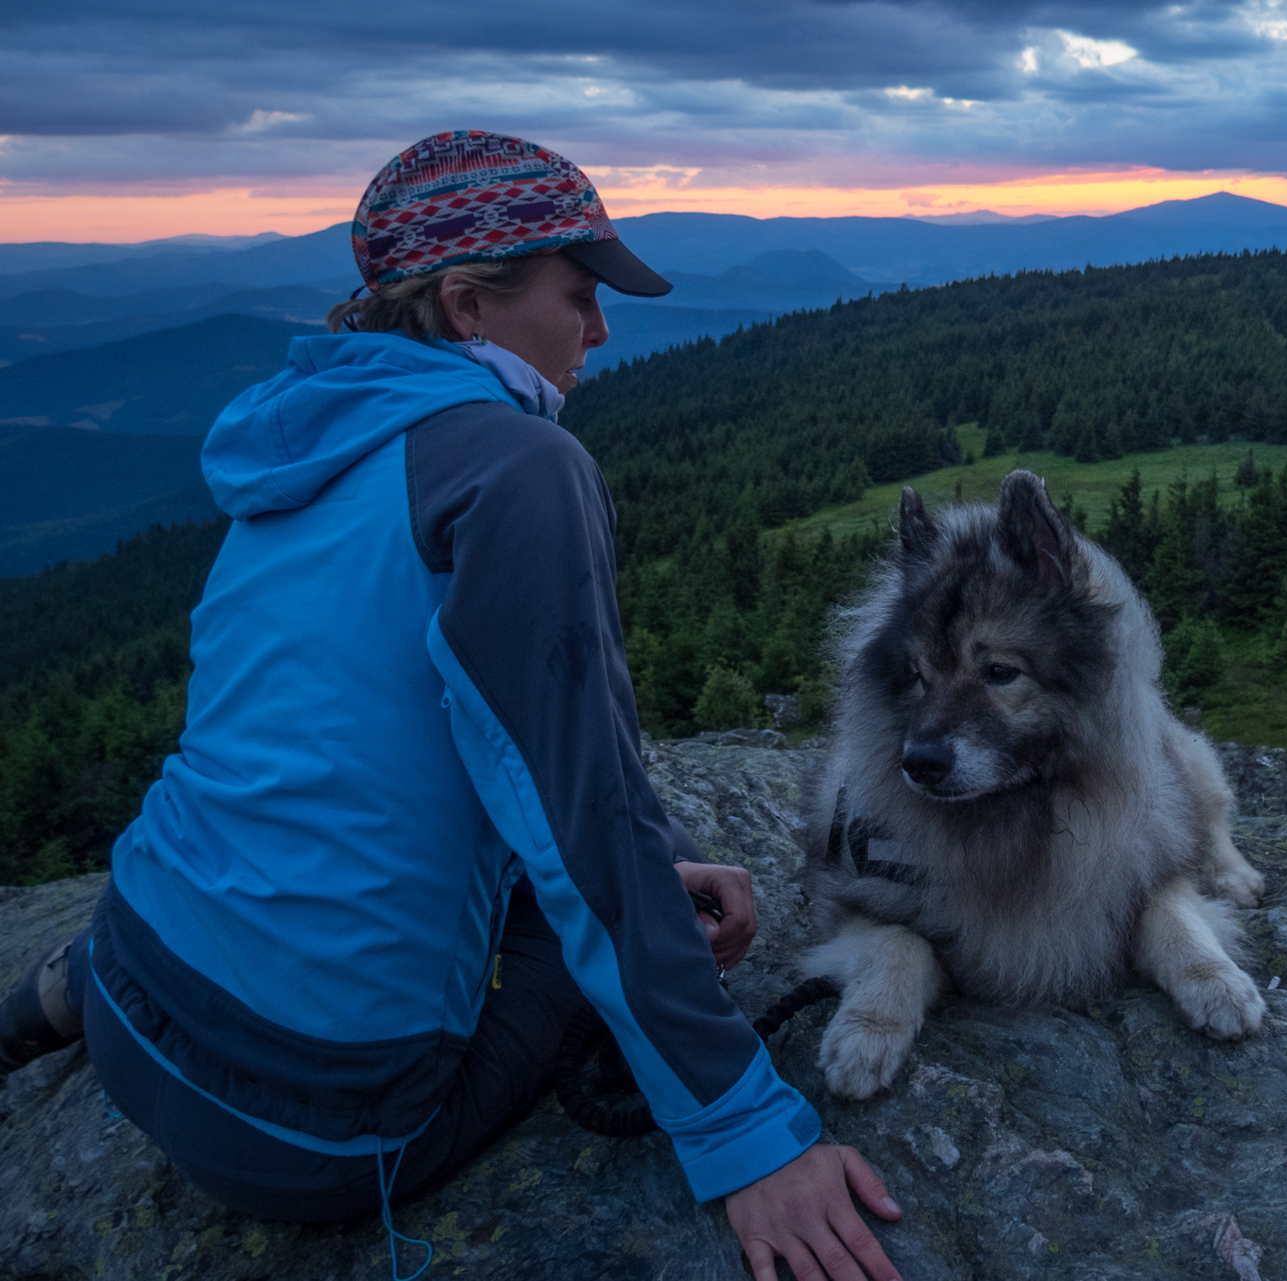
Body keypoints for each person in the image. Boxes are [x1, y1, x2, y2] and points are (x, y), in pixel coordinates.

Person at [0, 131, 902, 1281]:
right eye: (581, 297)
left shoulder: (309, 445)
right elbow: (584, 820)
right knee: (641, 914)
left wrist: (655, 855)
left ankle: (68, 983)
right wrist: (743, 1136)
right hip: (314, 1126)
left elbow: (348, 742)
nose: (602, 331)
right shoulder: (518, 466)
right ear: (469, 307)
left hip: (136, 972)